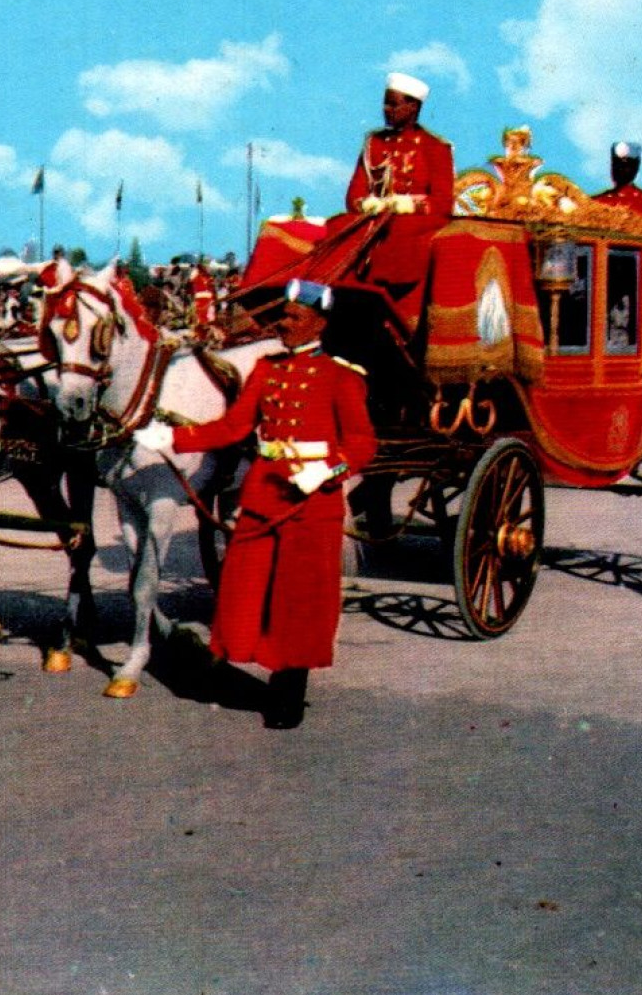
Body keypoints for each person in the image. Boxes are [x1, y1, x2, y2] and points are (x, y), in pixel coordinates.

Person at [134, 279, 377, 729]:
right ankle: (237, 660)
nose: (283, 324)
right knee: (246, 585)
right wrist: (172, 437)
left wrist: (327, 470)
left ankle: (288, 691)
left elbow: (362, 444)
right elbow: (232, 429)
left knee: (299, 598)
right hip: (265, 492)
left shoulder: (342, 376)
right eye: (283, 316)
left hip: (312, 500)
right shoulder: (266, 370)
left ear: (319, 324)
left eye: (294, 318)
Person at [341, 72, 455, 296]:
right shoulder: (373, 142)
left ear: (413, 107)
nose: (386, 110)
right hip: (373, 217)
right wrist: (367, 204)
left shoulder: (436, 147)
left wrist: (407, 205)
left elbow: (443, 202)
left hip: (415, 221)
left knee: (396, 232)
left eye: (393, 105)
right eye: (385, 103)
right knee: (338, 226)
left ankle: (384, 292)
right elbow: (354, 193)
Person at [592, 142, 642, 222]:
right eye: (616, 164)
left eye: (626, 165)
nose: (620, 169)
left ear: (636, 168)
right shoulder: (597, 201)